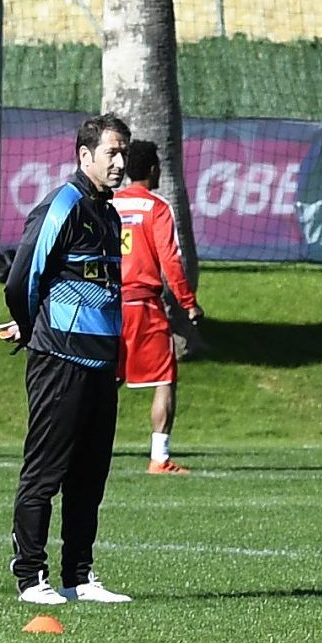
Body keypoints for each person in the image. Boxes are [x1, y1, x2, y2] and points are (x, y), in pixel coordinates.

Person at [2, 113, 133, 606]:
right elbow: (22, 278)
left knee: (90, 473)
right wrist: (31, 324)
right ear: (85, 156)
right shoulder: (64, 204)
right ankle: (31, 577)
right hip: (59, 358)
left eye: (124, 153)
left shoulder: (111, 213)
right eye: (112, 153)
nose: (120, 162)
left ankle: (79, 576)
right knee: (45, 470)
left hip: (100, 365)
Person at [112, 140, 204, 475]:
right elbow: (170, 260)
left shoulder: (108, 203)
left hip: (105, 303)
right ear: (153, 169)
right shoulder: (157, 207)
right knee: (164, 378)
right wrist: (188, 303)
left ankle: (74, 445)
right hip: (142, 303)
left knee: (105, 380)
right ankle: (159, 457)